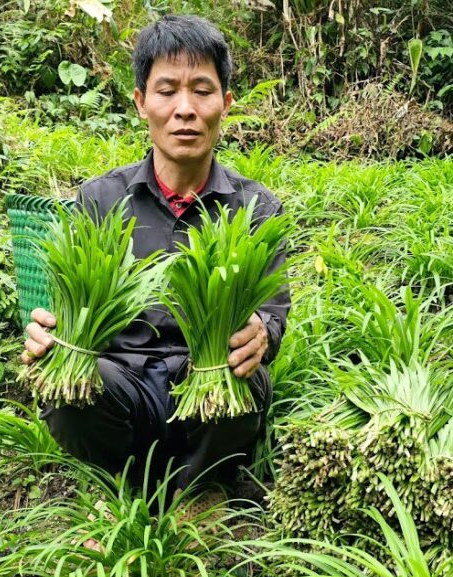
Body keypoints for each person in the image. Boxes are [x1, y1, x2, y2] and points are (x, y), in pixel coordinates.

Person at [19, 15, 289, 495]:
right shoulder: (99, 200)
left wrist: (260, 334)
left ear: (225, 104)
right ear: (142, 102)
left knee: (248, 381)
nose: (184, 109)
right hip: (124, 386)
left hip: (210, 389)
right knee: (72, 391)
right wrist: (50, 335)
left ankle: (197, 492)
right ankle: (120, 485)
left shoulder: (256, 209)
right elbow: (65, 309)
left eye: (202, 91)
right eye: (167, 91)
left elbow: (272, 313)